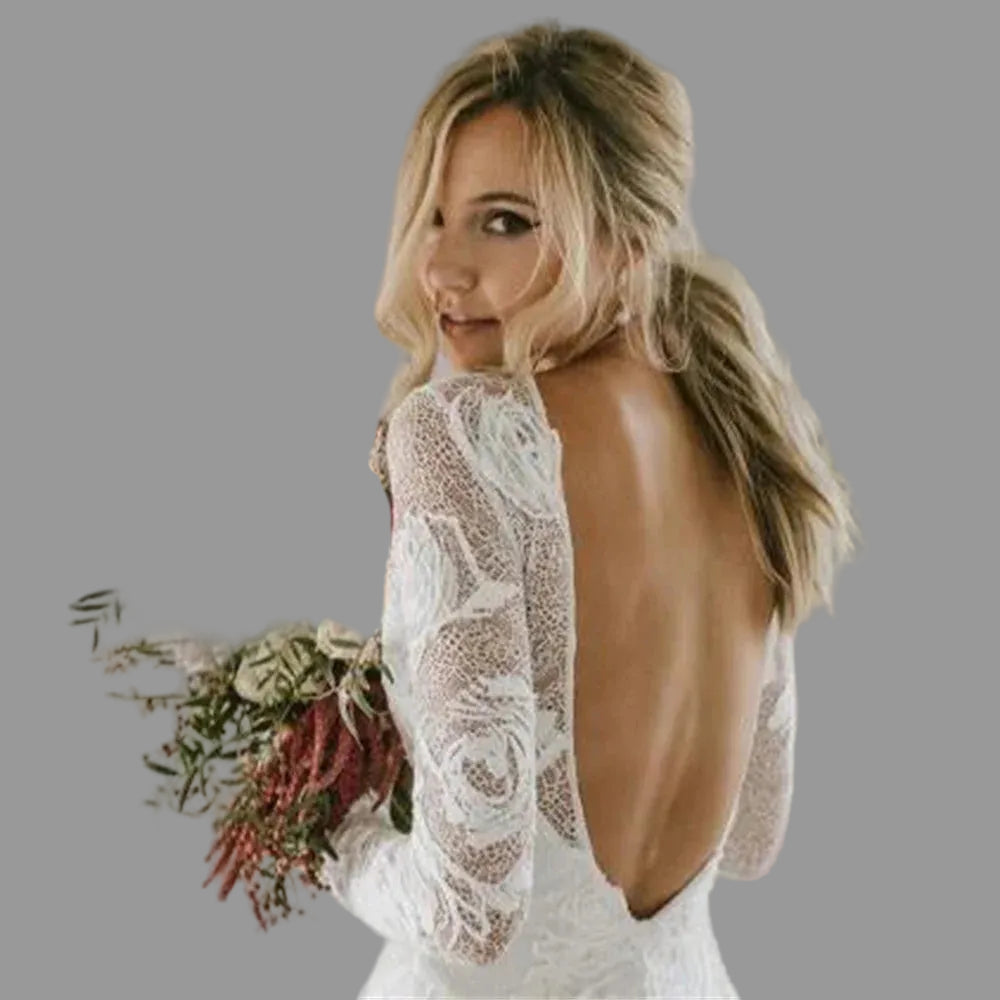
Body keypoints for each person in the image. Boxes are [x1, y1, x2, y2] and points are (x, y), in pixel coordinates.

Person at [322, 19, 860, 999]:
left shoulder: (459, 435)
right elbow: (751, 835)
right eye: (434, 218)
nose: (441, 271)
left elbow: (470, 913)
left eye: (504, 222)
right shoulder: (747, 435)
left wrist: (332, 833)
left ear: (630, 234)